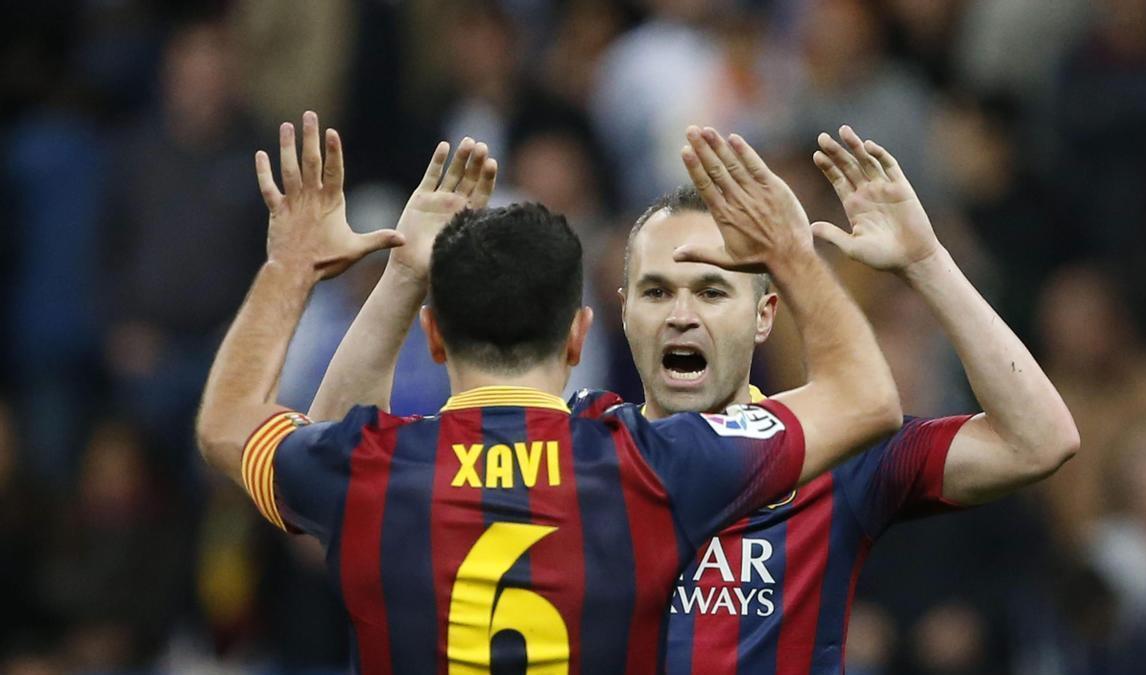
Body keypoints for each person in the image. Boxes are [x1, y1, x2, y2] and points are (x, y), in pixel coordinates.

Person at [316, 123, 1080, 673]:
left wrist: (927, 263)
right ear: (624, 313)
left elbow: (1038, 439)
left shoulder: (837, 453)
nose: (682, 312)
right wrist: (408, 275)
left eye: (712, 289)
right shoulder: (573, 446)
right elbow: (333, 457)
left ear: (764, 313)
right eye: (657, 290)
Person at [195, 111, 902, 673]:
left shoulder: (367, 467)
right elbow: (866, 399)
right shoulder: (655, 463)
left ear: (434, 337)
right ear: (578, 336)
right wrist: (790, 254)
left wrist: (299, 268)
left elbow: (230, 421)